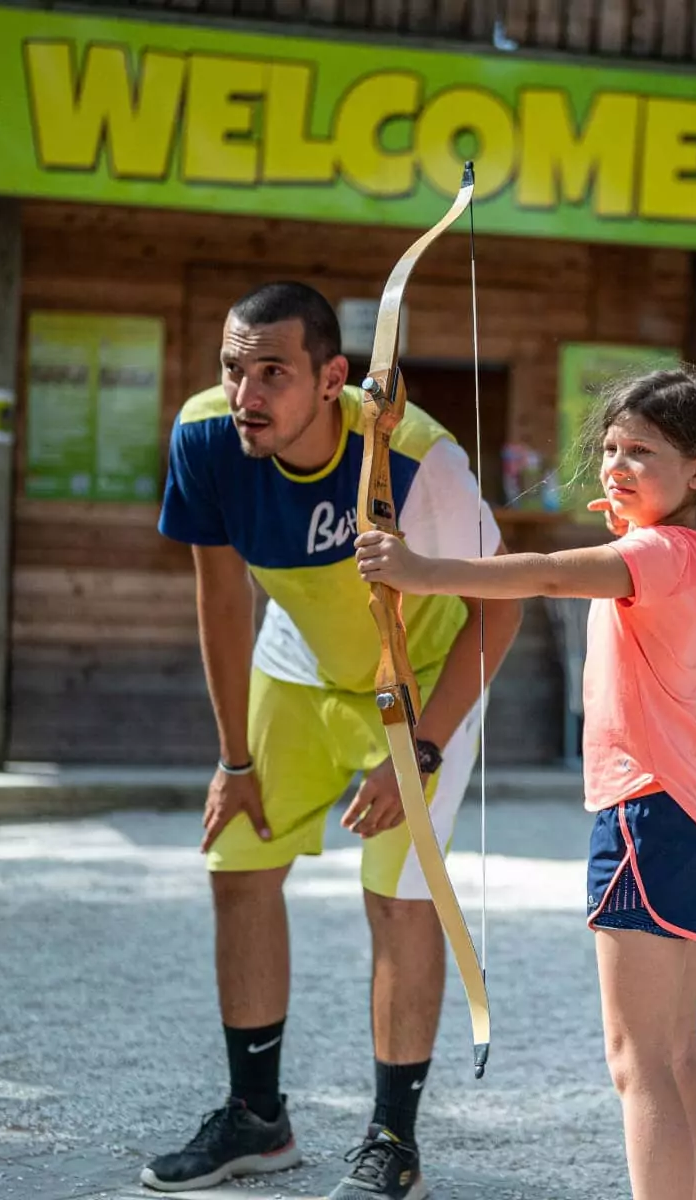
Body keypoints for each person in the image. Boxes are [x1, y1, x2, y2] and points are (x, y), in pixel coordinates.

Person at [145, 282, 522, 1196]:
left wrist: (423, 750)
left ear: (333, 378)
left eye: (273, 372)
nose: (247, 395)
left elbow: (499, 608)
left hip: (418, 679)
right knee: (237, 863)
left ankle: (393, 1141)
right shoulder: (205, 437)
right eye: (235, 369)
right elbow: (221, 598)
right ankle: (257, 1120)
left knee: (395, 895)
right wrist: (235, 759)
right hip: (299, 658)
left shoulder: (417, 457)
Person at [356, 366, 696, 1200]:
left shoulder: (653, 553)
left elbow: (538, 574)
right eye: (609, 448)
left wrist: (419, 571)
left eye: (641, 452)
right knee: (677, 1050)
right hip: (695, 812)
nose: (615, 465)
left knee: (636, 1062)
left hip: (648, 813)